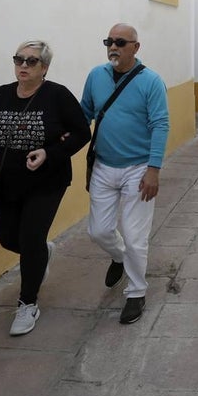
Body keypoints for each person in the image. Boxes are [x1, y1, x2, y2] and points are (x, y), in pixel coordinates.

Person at [0, 39, 91, 336]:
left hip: (47, 182)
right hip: (7, 184)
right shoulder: (0, 96)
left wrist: (50, 153)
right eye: (19, 60)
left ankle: (27, 303)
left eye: (31, 61)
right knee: (8, 240)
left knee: (30, 240)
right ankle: (41, 252)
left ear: (45, 68)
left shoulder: (57, 96)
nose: (23, 66)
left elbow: (82, 132)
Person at [81, 23, 169, 324]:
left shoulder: (151, 81)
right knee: (98, 231)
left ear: (136, 47)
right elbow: (85, 113)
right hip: (104, 166)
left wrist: (153, 170)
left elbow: (160, 125)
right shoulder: (96, 76)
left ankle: (136, 292)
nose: (113, 47)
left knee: (135, 235)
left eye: (120, 42)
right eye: (109, 41)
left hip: (138, 167)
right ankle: (118, 257)